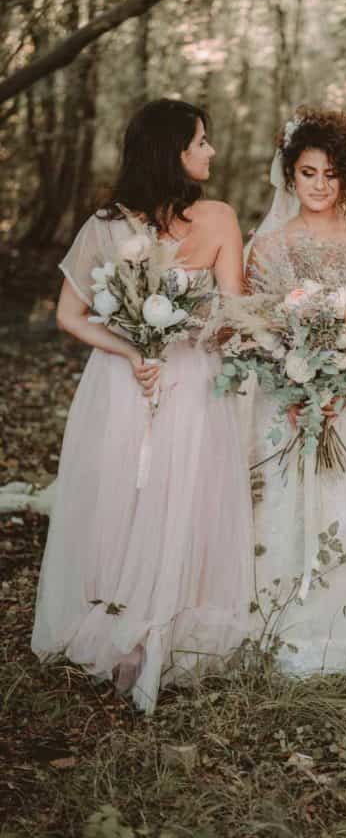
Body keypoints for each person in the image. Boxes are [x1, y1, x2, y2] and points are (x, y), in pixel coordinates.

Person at [31, 98, 253, 713]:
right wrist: (133, 350)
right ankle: (117, 614)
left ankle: (165, 619)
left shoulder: (220, 218)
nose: (211, 151)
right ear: (173, 152)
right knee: (124, 492)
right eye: (202, 141)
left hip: (186, 384)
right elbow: (69, 316)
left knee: (182, 492)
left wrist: (185, 333)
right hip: (127, 383)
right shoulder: (104, 225)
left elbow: (231, 314)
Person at [246, 107, 346, 677]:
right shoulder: (268, 247)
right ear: (290, 173)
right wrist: (294, 372)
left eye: (332, 175)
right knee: (282, 493)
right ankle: (278, 614)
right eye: (308, 173)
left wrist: (342, 375)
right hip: (284, 395)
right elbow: (253, 327)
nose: (320, 186)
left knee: (345, 493)